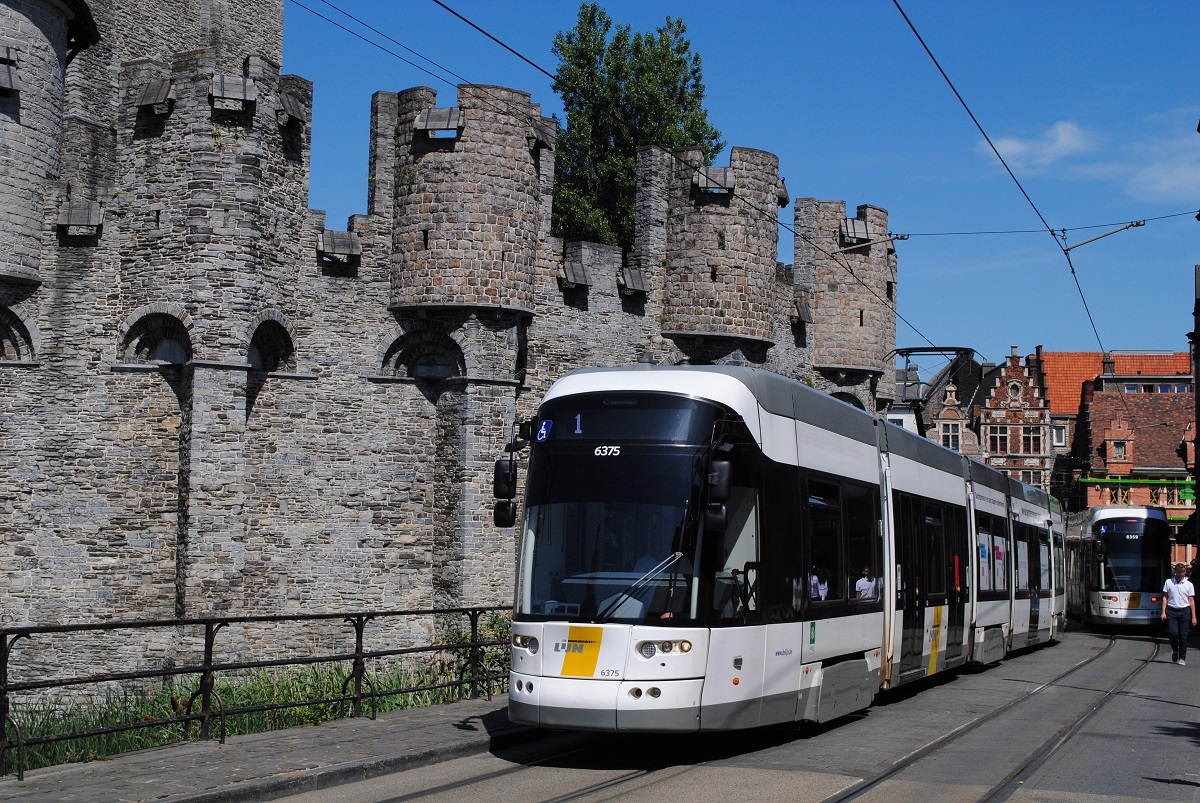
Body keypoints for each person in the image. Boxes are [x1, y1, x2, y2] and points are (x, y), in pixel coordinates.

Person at [1161, 562, 1196, 665]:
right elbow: (1165, 597)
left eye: (1182, 572)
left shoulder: (1189, 585)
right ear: (1175, 572)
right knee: (1173, 633)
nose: (1180, 574)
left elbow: (1191, 600)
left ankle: (1182, 658)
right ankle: (1175, 650)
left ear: (1185, 572)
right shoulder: (1169, 582)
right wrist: (1163, 612)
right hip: (1172, 610)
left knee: (1183, 635)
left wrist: (1194, 617)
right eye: (1178, 572)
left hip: (1184, 611)